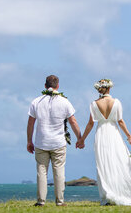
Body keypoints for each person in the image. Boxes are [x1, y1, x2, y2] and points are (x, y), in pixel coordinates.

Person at [78, 79, 131, 206]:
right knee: (119, 161)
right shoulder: (116, 102)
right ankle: (121, 192)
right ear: (109, 88)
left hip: (101, 134)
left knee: (104, 164)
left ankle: (108, 196)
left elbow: (90, 123)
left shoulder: (94, 104)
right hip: (114, 133)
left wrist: (82, 139)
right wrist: (129, 137)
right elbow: (120, 121)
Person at [27, 74, 82, 207]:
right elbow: (73, 121)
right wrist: (80, 138)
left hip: (41, 142)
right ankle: (60, 201)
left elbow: (30, 124)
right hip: (58, 142)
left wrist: (29, 141)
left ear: (45, 86)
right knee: (59, 172)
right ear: (58, 86)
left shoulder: (36, 101)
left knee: (41, 172)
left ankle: (41, 201)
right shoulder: (64, 101)